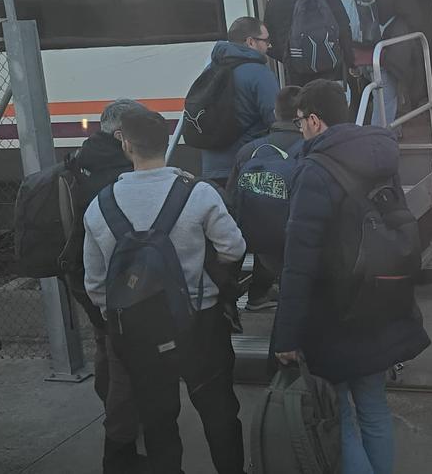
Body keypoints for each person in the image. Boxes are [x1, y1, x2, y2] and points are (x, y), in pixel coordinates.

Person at [272, 80, 430, 474]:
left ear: (313, 120)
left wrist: (287, 336)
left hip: (334, 314)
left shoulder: (312, 171)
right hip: (380, 301)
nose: (300, 130)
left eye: (300, 122)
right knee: (375, 409)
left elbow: (298, 263)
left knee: (340, 417)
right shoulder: (380, 157)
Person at [83, 109, 246, 474]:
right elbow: (234, 248)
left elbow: (94, 286)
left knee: (158, 418)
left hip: (139, 331)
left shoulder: (100, 205)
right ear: (167, 141)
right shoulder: (198, 193)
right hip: (200, 325)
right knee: (218, 411)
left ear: (125, 143)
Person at [63, 98, 147, 473]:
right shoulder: (120, 172)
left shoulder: (81, 157)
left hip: (78, 272)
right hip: (109, 279)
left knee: (103, 343)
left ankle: (110, 404)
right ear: (120, 136)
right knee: (123, 359)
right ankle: (120, 452)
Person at [225, 85, 303, 311]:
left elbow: (232, 198)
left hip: (254, 235)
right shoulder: (311, 148)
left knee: (261, 217)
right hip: (293, 236)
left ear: (276, 113)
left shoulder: (249, 150)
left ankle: (242, 298)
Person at [200, 16, 280, 185]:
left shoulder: (211, 68)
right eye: (266, 40)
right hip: (246, 166)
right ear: (251, 42)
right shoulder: (259, 73)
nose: (270, 45)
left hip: (211, 167)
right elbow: (276, 119)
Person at [264, 0, 355, 86]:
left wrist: (290, 57)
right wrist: (350, 62)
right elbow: (344, 30)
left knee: (304, 107)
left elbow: (270, 42)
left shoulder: (274, 2)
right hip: (332, 70)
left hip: (297, 75)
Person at [371, 0, 426, 127]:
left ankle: (392, 129)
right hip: (393, 47)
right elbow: (414, 16)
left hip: (367, 48)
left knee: (376, 93)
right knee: (388, 94)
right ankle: (381, 137)